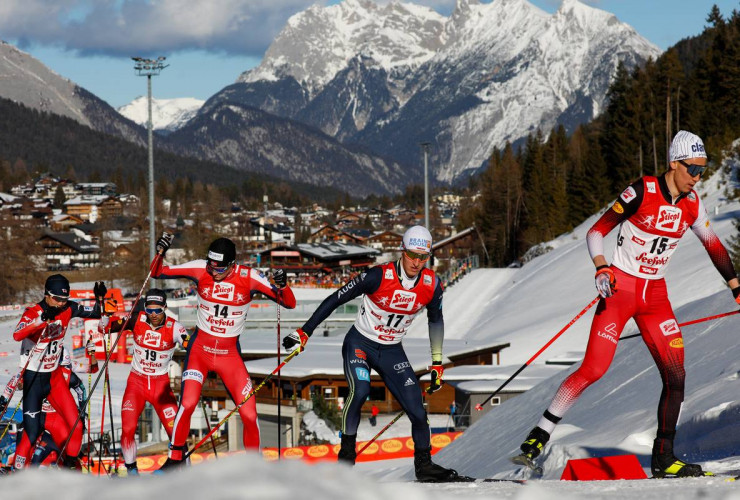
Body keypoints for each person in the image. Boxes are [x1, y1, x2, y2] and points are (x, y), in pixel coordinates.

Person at [514, 131, 740, 478]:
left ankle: (664, 457)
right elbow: (595, 232)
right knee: (594, 369)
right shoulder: (641, 192)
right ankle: (538, 435)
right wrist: (602, 267)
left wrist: (735, 286)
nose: (698, 177)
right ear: (674, 163)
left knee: (676, 375)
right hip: (620, 292)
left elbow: (713, 245)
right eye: (692, 169)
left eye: (703, 170)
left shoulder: (693, 204)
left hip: (655, 298)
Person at [283, 225, 460, 482]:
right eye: (412, 255)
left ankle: (424, 465)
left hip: (392, 351)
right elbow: (335, 298)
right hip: (360, 344)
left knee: (418, 411)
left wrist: (436, 362)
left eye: (423, 257)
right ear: (403, 250)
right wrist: (305, 332)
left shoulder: (432, 284)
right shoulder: (378, 276)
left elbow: (436, 320)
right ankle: (345, 462)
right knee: (361, 391)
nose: (417, 262)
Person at [151, 236, 295, 469]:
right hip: (200, 351)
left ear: (232, 264)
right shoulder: (201, 268)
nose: (213, 271)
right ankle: (174, 460)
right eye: (211, 265)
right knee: (187, 403)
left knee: (249, 414)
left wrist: (283, 284)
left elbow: (289, 303)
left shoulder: (249, 277)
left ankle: (253, 467)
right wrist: (160, 252)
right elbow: (157, 272)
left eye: (219, 267)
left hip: (229, 356)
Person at [11, 274, 106, 470]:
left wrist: (100, 300)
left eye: (64, 299)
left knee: (76, 426)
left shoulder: (68, 308)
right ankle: (16, 476)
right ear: (47, 295)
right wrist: (41, 320)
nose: (61, 303)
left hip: (54, 378)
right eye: (57, 299)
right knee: (31, 432)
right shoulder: (33, 312)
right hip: (34, 377)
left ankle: (70, 466)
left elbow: (96, 312)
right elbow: (17, 334)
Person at [99, 288, 188, 476]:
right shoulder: (137, 319)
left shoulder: (175, 327)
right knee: (128, 429)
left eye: (158, 310)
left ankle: (182, 469)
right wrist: (105, 318)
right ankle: (132, 471)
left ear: (165, 307)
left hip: (160, 385)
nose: (153, 315)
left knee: (176, 431)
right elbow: (106, 328)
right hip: (136, 383)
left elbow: (189, 344)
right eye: (149, 310)